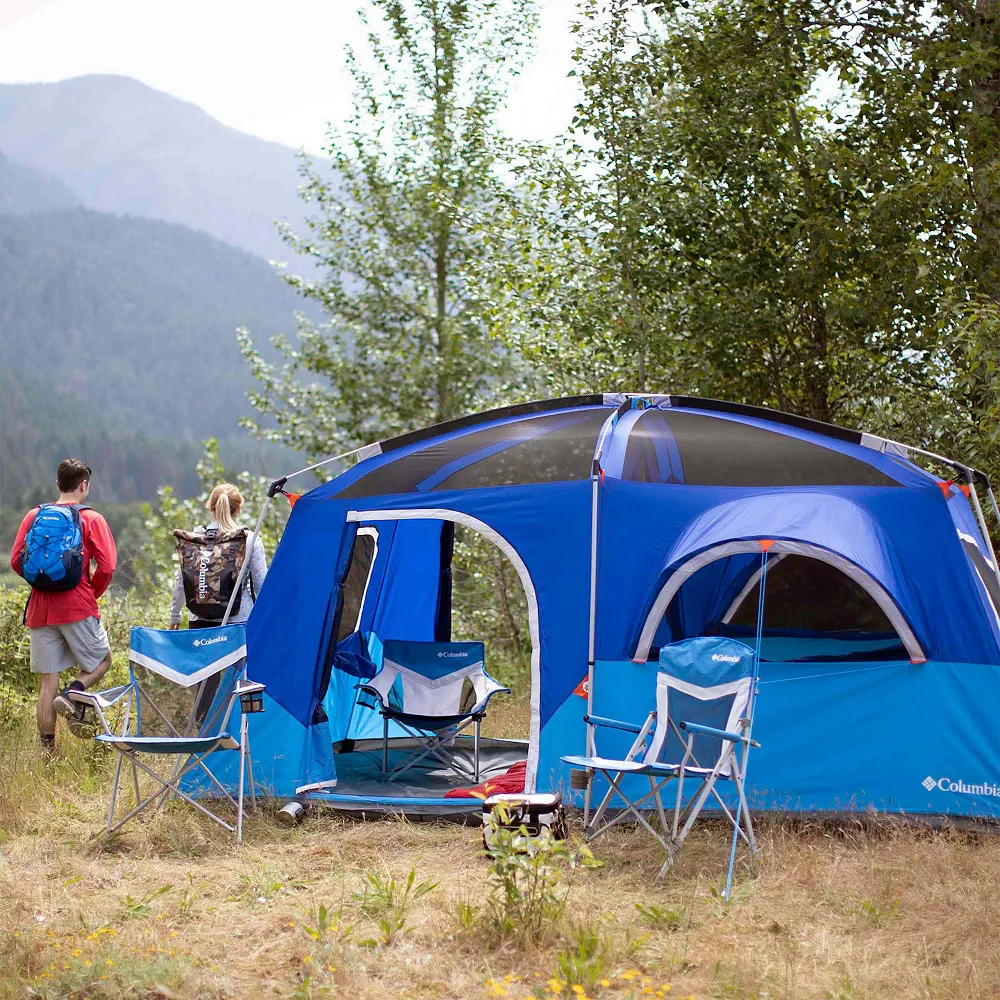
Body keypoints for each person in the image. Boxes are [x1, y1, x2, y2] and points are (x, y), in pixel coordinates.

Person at [9, 459, 117, 753]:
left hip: (40, 610)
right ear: (84, 485)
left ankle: (48, 754)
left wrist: (42, 581)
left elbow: (16, 561)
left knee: (47, 683)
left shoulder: (34, 515)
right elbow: (107, 566)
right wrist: (89, 592)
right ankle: (74, 693)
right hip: (77, 606)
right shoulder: (91, 519)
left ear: (58, 485)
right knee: (102, 661)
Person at [169, 483, 267, 630]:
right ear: (239, 508)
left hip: (199, 622)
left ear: (210, 506)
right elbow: (261, 584)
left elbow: (181, 580)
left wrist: (175, 615)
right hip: (238, 622)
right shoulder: (249, 539)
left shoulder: (195, 539)